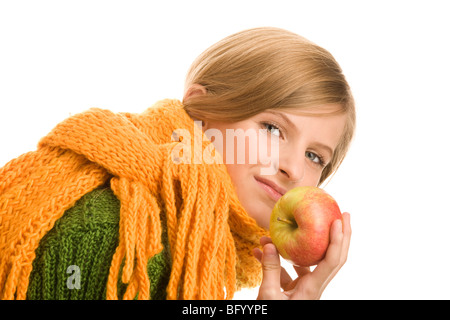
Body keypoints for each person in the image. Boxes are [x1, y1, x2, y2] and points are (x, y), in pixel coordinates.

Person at [0, 27, 354, 300]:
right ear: (201, 112)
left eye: (314, 156)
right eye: (272, 128)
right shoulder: (123, 233)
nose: (293, 168)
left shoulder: (212, 248)